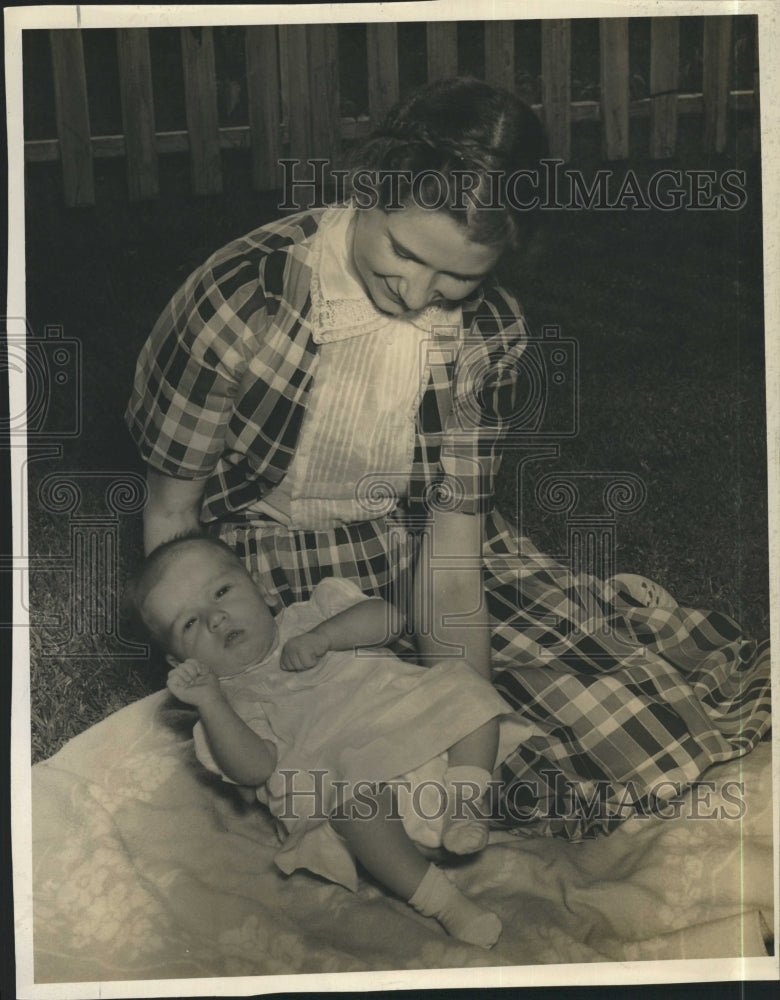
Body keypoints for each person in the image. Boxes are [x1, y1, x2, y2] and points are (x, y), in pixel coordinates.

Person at [125, 77, 770, 840]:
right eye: (403, 251)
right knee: (330, 773)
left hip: (412, 548)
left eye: (457, 278)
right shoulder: (243, 299)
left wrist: (466, 708)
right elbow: (173, 515)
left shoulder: (488, 335)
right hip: (263, 565)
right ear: (369, 187)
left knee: (611, 733)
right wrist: (200, 658)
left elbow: (454, 559)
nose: (418, 290)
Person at [123, 533, 522, 948]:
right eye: (190, 623)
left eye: (222, 592)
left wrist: (325, 636)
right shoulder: (224, 706)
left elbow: (389, 620)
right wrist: (209, 700)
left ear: (257, 586)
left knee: (466, 688)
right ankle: (444, 903)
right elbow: (254, 768)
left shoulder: (313, 613)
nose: (216, 618)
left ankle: (464, 805)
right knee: (354, 804)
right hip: (373, 812)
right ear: (178, 661)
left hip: (431, 748)